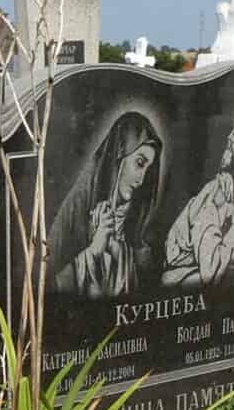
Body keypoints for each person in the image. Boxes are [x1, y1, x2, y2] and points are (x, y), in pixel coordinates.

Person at [49, 110, 164, 300]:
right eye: (139, 163)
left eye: (148, 169)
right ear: (118, 156)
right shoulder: (79, 210)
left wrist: (119, 253)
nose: (142, 180)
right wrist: (93, 252)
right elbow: (47, 289)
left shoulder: (133, 233)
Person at [162, 101, 234, 289]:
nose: (229, 137)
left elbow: (211, 271)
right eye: (233, 129)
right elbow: (172, 249)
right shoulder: (213, 189)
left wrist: (214, 207)